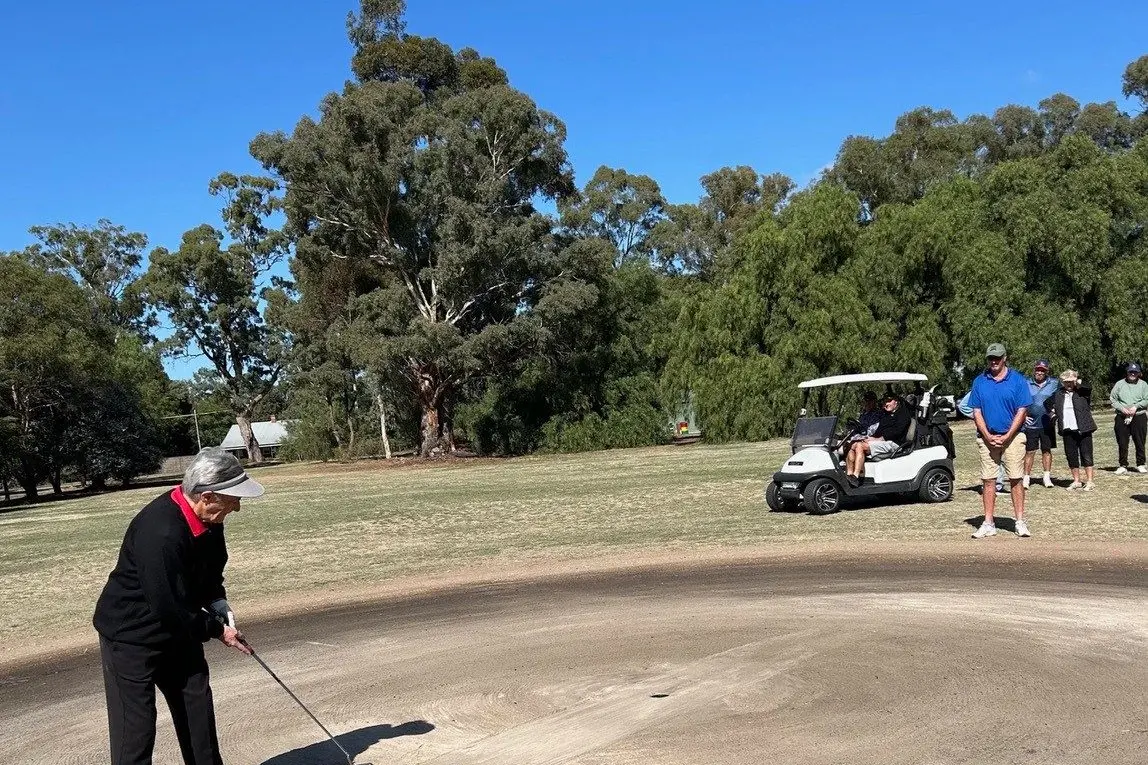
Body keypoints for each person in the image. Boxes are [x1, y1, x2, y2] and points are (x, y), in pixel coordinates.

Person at [93, 448, 263, 765]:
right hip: (131, 638)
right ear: (208, 496)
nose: (238, 507)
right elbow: (168, 606)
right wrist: (217, 630)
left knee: (196, 712)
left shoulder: (210, 520)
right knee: (136, 731)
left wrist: (217, 601)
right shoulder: (160, 532)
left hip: (179, 629)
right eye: (234, 498)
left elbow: (210, 570)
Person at [968, 342, 1033, 539]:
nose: (994, 361)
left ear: (1005, 358)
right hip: (987, 438)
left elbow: (1022, 411)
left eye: (998, 358)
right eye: (991, 358)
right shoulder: (979, 381)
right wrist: (987, 435)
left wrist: (1007, 436)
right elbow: (976, 411)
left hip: (1013, 437)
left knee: (1015, 479)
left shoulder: (1018, 380)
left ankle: (1019, 521)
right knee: (988, 481)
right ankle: (988, 523)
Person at [845, 393, 912, 485]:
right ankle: (849, 474)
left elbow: (897, 432)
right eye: (884, 402)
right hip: (883, 442)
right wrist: (871, 438)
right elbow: (879, 429)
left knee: (860, 446)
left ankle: (856, 476)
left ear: (896, 401)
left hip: (894, 443)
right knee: (853, 445)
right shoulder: (886, 415)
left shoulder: (903, 414)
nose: (886, 404)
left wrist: (879, 439)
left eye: (888, 401)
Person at [1052, 370, 1096, 491]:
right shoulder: (1059, 394)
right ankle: (1076, 480)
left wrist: (1077, 381)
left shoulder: (1082, 391)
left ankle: (1090, 481)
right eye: (1066, 382)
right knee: (1071, 456)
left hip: (1083, 428)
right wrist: (1053, 414)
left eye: (1071, 382)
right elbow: (1047, 404)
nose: (1069, 385)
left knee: (1086, 454)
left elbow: (1088, 387)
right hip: (1067, 429)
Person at [958, 389, 1007, 495]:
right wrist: (978, 417)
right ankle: (995, 486)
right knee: (992, 459)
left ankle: (997, 485)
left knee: (1002, 458)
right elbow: (963, 406)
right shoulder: (980, 386)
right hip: (988, 431)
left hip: (1004, 429)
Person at [1022, 360, 1061, 489]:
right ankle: (1026, 478)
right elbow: (1018, 400)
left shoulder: (1055, 383)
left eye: (1042, 370)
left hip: (1047, 424)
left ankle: (1047, 478)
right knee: (1030, 451)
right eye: (1038, 370)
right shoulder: (1026, 383)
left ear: (1046, 372)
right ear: (1034, 370)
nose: (1039, 372)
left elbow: (1060, 397)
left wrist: (1056, 410)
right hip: (1031, 424)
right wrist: (1023, 416)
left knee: (1046, 451)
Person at [1109, 362, 1148, 474]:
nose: (1132, 374)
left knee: (1140, 441)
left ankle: (1140, 463)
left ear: (1139, 373)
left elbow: (1146, 399)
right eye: (1131, 372)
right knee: (1122, 441)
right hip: (1122, 416)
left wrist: (1136, 406)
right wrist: (1121, 408)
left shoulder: (1144, 385)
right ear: (1127, 372)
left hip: (1138, 416)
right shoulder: (1119, 384)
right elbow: (1113, 398)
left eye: (1135, 372)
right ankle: (1123, 464)